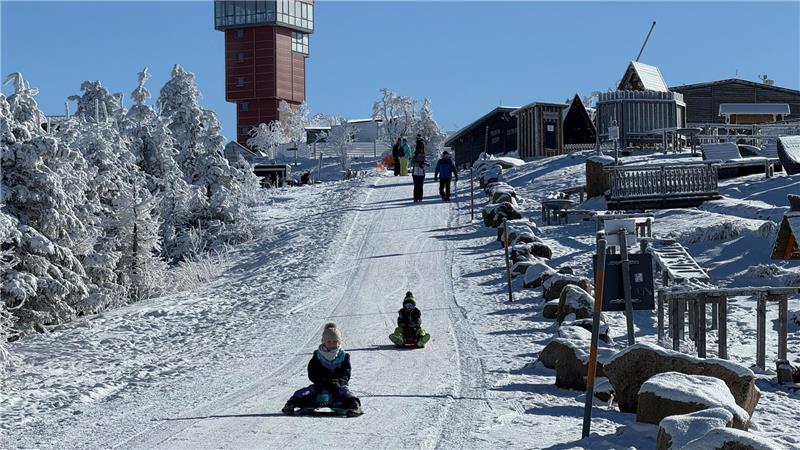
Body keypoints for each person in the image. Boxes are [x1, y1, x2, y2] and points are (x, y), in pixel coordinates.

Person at [282, 322, 363, 416]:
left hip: (336, 386)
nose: (332, 344)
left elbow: (346, 373)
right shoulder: (318, 355)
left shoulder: (344, 356)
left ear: (339, 342)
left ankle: (355, 406)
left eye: (335, 341)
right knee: (307, 391)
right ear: (324, 342)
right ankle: (291, 404)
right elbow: (312, 372)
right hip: (321, 384)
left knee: (345, 392)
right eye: (329, 341)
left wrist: (339, 381)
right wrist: (320, 381)